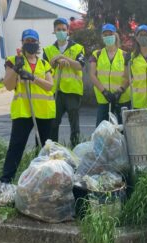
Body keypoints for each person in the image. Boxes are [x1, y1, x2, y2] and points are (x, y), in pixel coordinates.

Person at [0, 29, 54, 184]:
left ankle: (46, 179)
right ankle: (5, 181)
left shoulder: (44, 63)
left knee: (45, 149)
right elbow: (8, 86)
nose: (30, 44)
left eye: (33, 41)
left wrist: (32, 77)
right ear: (22, 43)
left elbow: (50, 86)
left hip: (45, 112)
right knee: (16, 147)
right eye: (27, 41)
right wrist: (16, 69)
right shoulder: (12, 60)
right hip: (23, 110)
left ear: (38, 43)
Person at [43, 18, 86, 147]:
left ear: (68, 31)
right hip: (55, 92)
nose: (61, 31)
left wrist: (63, 57)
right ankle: (53, 150)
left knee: (74, 124)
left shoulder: (78, 48)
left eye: (63, 29)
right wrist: (55, 61)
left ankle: (75, 148)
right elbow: (45, 69)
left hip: (72, 91)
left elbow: (79, 65)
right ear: (54, 31)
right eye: (58, 29)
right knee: (53, 123)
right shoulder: (48, 50)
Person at [89, 23, 131, 126]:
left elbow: (129, 76)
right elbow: (92, 75)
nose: (108, 37)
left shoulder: (125, 55)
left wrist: (120, 91)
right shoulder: (97, 54)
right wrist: (104, 92)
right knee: (102, 131)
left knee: (125, 130)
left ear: (115, 35)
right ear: (102, 37)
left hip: (122, 97)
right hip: (104, 98)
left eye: (110, 34)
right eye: (105, 35)